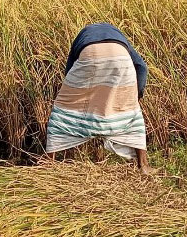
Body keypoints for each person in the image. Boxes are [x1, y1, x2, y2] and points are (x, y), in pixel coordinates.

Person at [46, 23, 154, 174]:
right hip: (121, 57)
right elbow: (141, 67)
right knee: (133, 112)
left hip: (90, 53)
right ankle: (143, 165)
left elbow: (69, 70)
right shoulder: (120, 38)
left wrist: (74, 96)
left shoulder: (83, 36)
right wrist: (136, 96)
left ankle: (48, 162)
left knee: (61, 109)